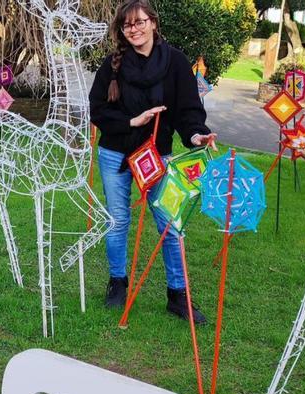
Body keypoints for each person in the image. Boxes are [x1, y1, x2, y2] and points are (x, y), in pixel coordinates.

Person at [89, 0, 216, 323]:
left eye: (140, 22)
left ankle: (178, 295)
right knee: (118, 221)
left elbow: (189, 110)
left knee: (170, 224)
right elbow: (97, 110)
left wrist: (197, 135)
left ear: (154, 23)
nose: (134, 29)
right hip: (116, 153)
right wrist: (132, 121)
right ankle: (118, 283)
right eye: (127, 25)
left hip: (156, 156)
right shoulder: (113, 65)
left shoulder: (175, 63)